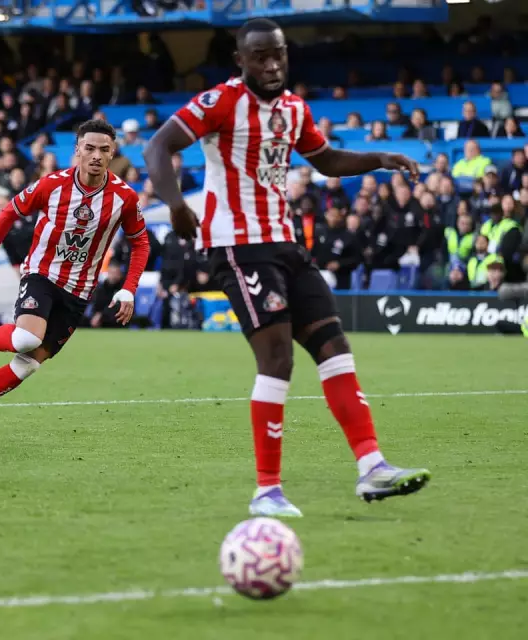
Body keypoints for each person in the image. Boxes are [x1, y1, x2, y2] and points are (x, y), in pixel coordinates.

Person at [142, 18, 431, 517]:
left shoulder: (294, 109)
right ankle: (267, 491)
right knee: (277, 359)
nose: (272, 64)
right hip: (237, 244)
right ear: (241, 60)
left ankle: (372, 467)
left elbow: (326, 160)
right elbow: (157, 146)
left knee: (335, 348)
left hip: (286, 244)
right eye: (260, 55)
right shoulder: (221, 102)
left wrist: (379, 157)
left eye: (278, 54)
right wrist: (174, 204)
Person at [0, 119, 150, 435]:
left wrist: (129, 289)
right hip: (42, 275)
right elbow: (8, 212)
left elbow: (140, 242)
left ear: (113, 152)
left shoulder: (124, 197)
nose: (96, 156)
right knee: (26, 337)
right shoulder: (52, 185)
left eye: (104, 150)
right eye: (89, 148)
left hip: (79, 291)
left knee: (27, 365)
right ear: (77, 150)